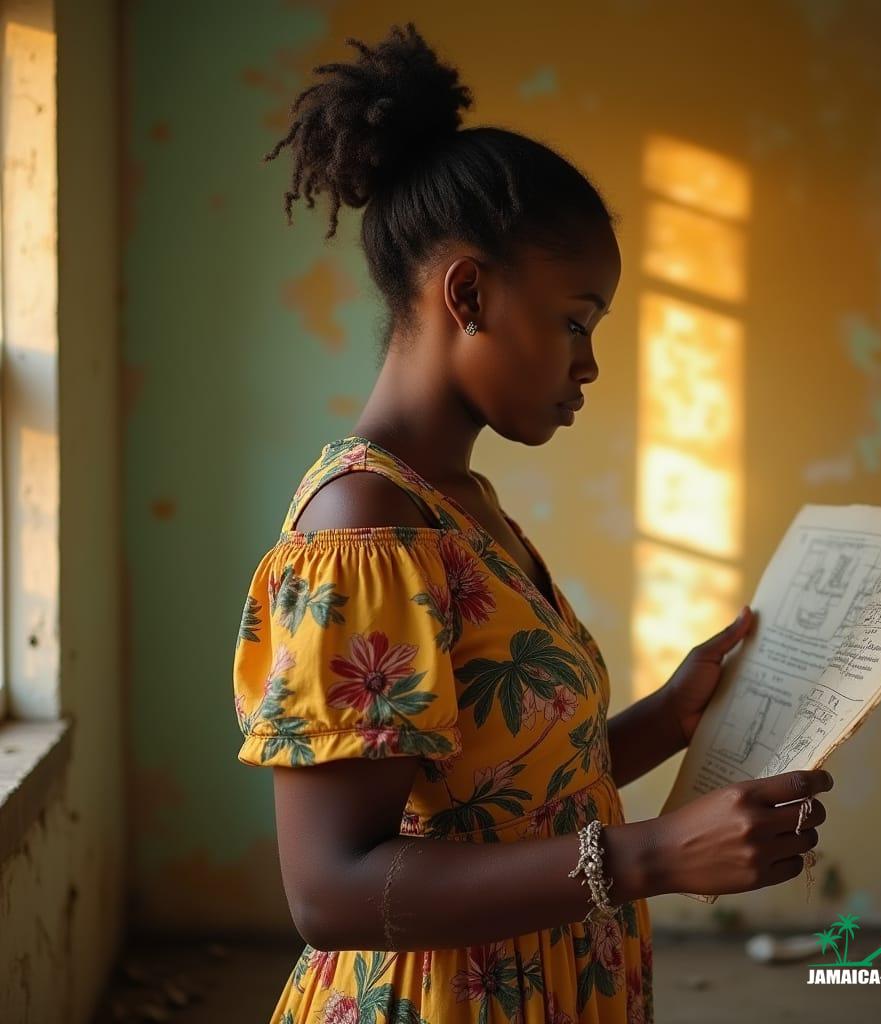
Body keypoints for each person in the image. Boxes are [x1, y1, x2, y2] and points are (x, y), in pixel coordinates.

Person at [231, 22, 832, 1024]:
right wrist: (649, 856)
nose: (588, 366)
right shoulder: (363, 531)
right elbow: (329, 891)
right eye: (575, 321)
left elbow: (494, 789)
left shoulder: (462, 508)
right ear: (467, 293)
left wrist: (668, 719)